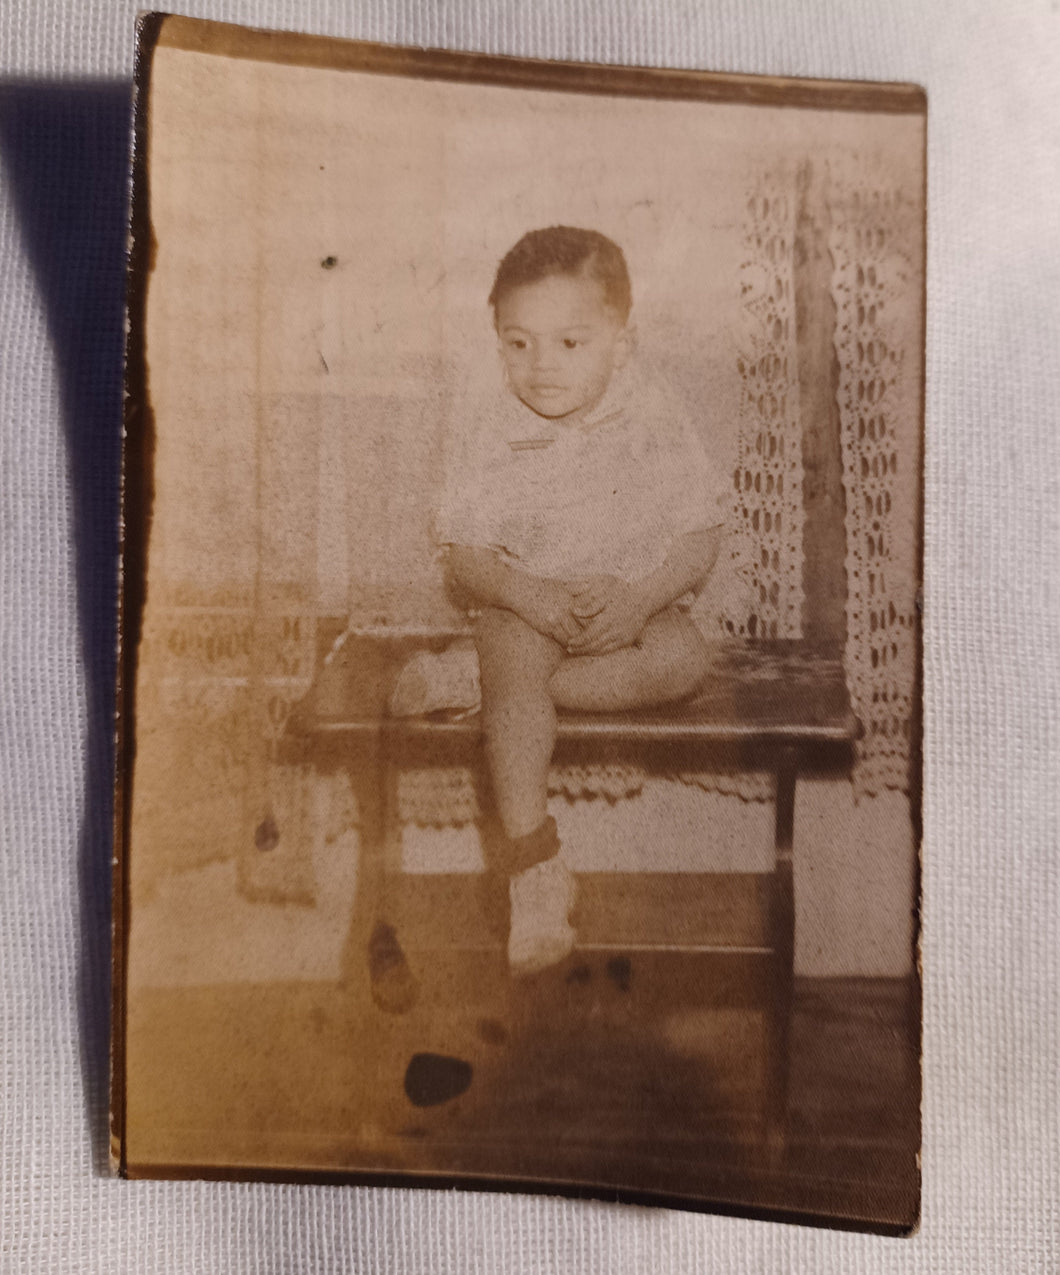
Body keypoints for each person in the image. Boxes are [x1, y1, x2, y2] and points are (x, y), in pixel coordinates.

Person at [418, 225, 728, 975]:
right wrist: (525, 591)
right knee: (517, 665)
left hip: (627, 599)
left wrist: (643, 596)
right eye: (517, 343)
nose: (539, 367)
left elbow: (699, 531)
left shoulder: (652, 408)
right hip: (525, 601)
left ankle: (474, 683)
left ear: (621, 344)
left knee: (685, 662)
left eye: (569, 343)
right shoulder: (492, 416)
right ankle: (534, 866)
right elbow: (464, 554)